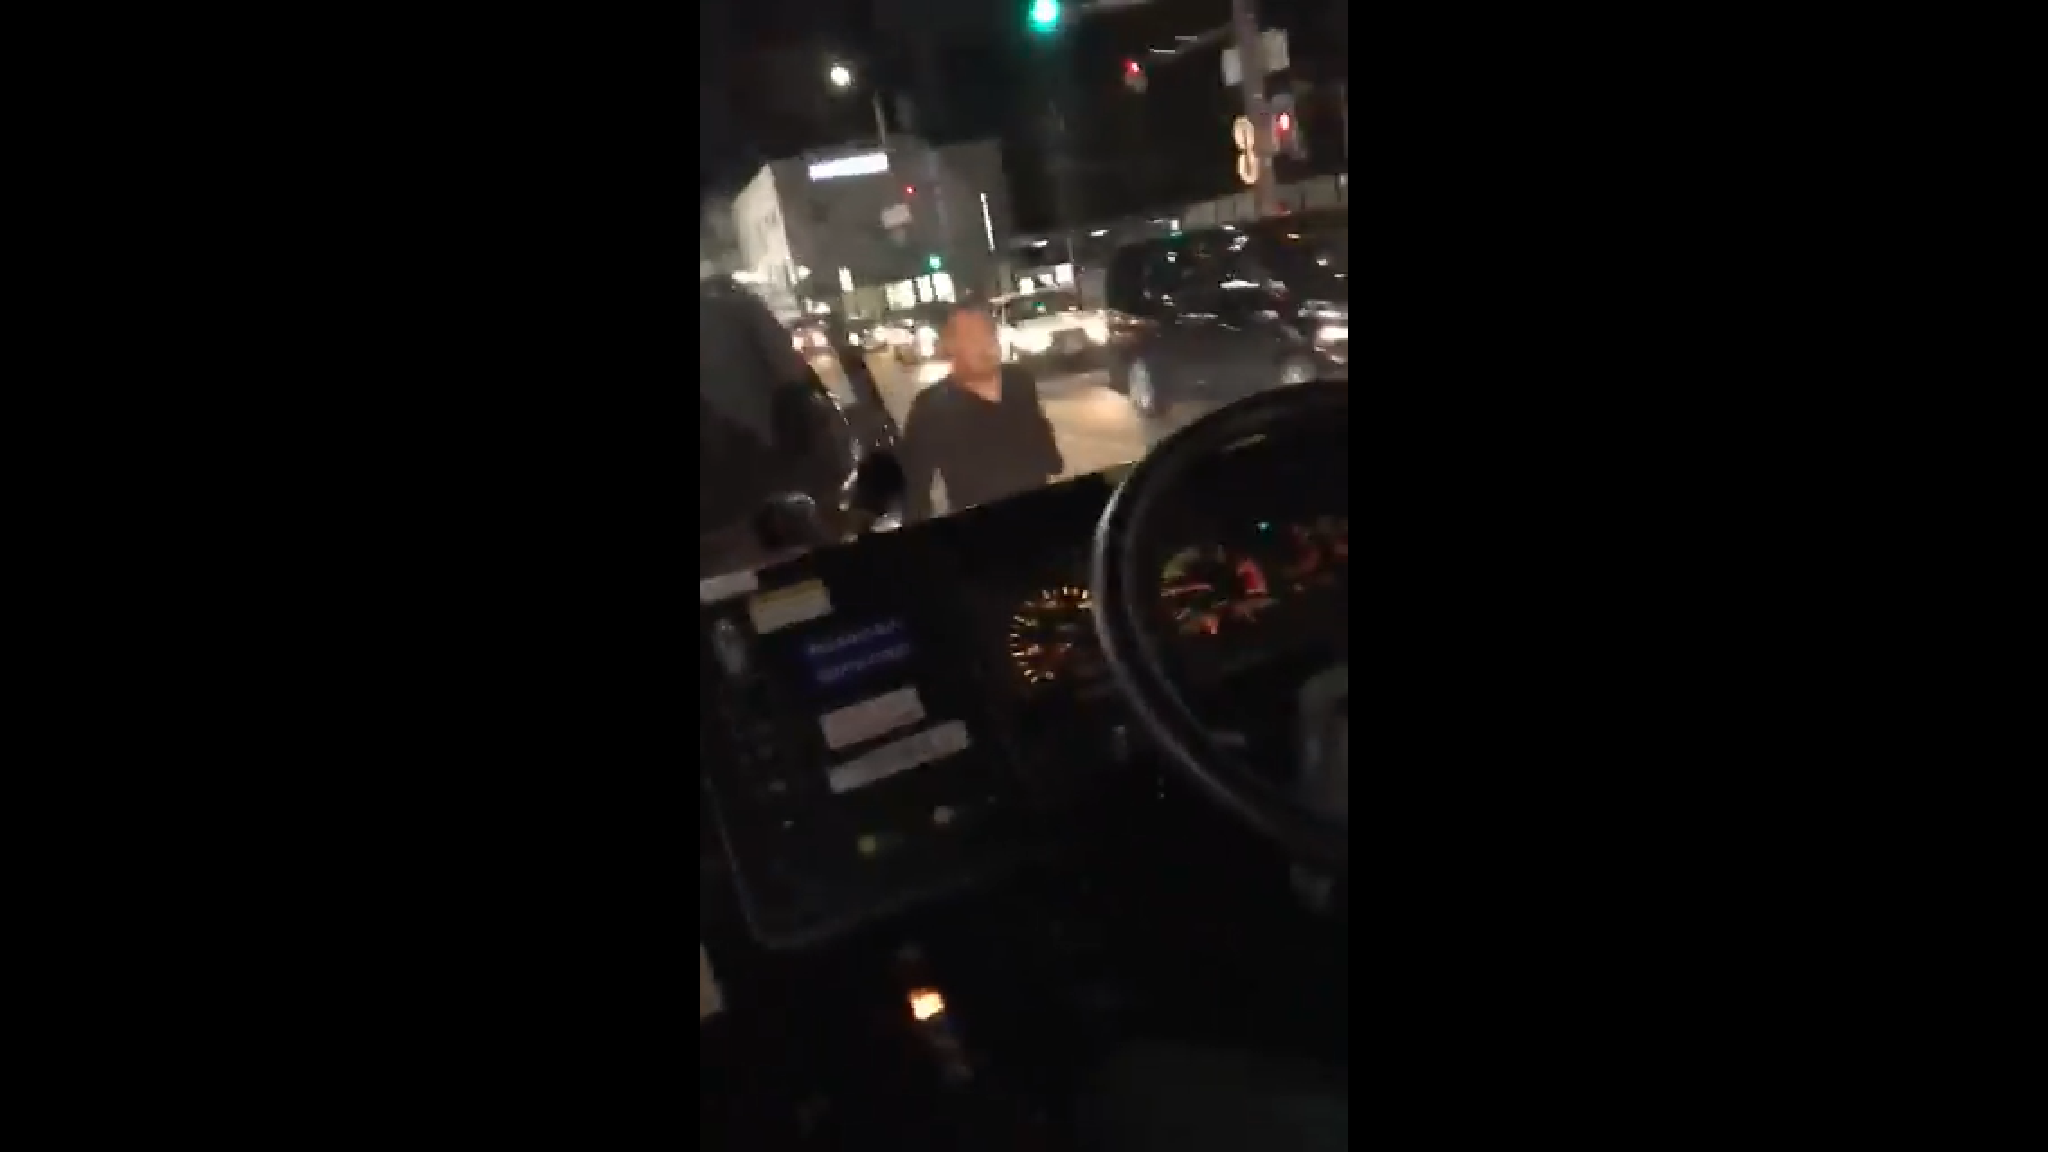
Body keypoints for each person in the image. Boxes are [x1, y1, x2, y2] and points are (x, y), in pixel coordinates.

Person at [898, 304, 1065, 522]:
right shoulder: (930, 407)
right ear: (950, 346)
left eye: (989, 335)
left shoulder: (1018, 380)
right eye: (972, 338)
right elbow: (915, 491)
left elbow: (1042, 438)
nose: (985, 346)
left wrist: (1049, 454)